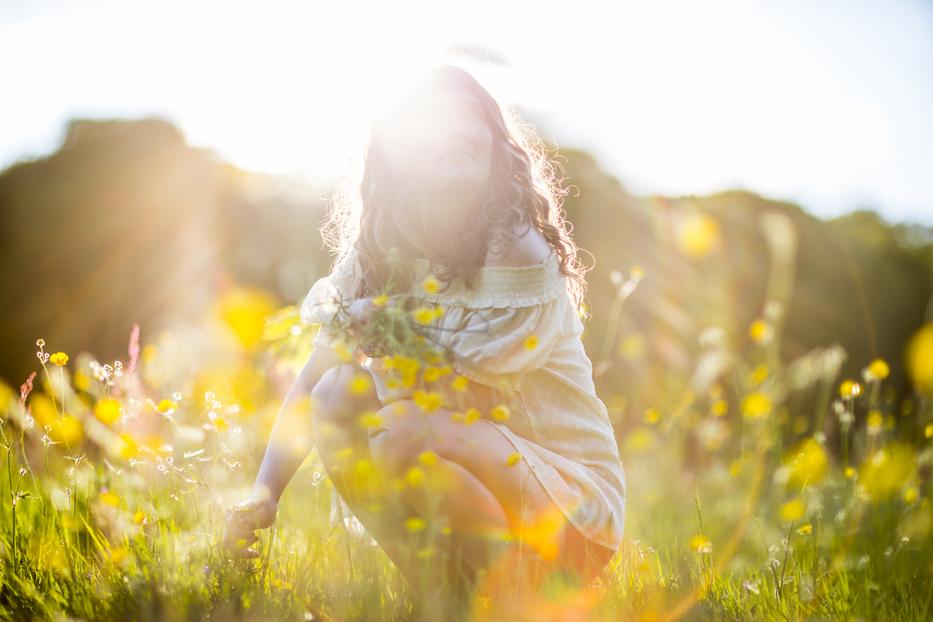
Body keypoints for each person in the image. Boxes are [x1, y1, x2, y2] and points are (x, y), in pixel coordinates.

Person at [223, 63, 627, 620]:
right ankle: (445, 601)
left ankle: (517, 601)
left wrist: (389, 323)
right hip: (453, 456)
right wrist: (263, 495)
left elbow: (473, 392)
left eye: (474, 118)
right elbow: (314, 377)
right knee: (338, 395)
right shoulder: (380, 252)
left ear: (493, 139)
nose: (463, 131)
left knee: (401, 430)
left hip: (572, 515)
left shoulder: (514, 245)